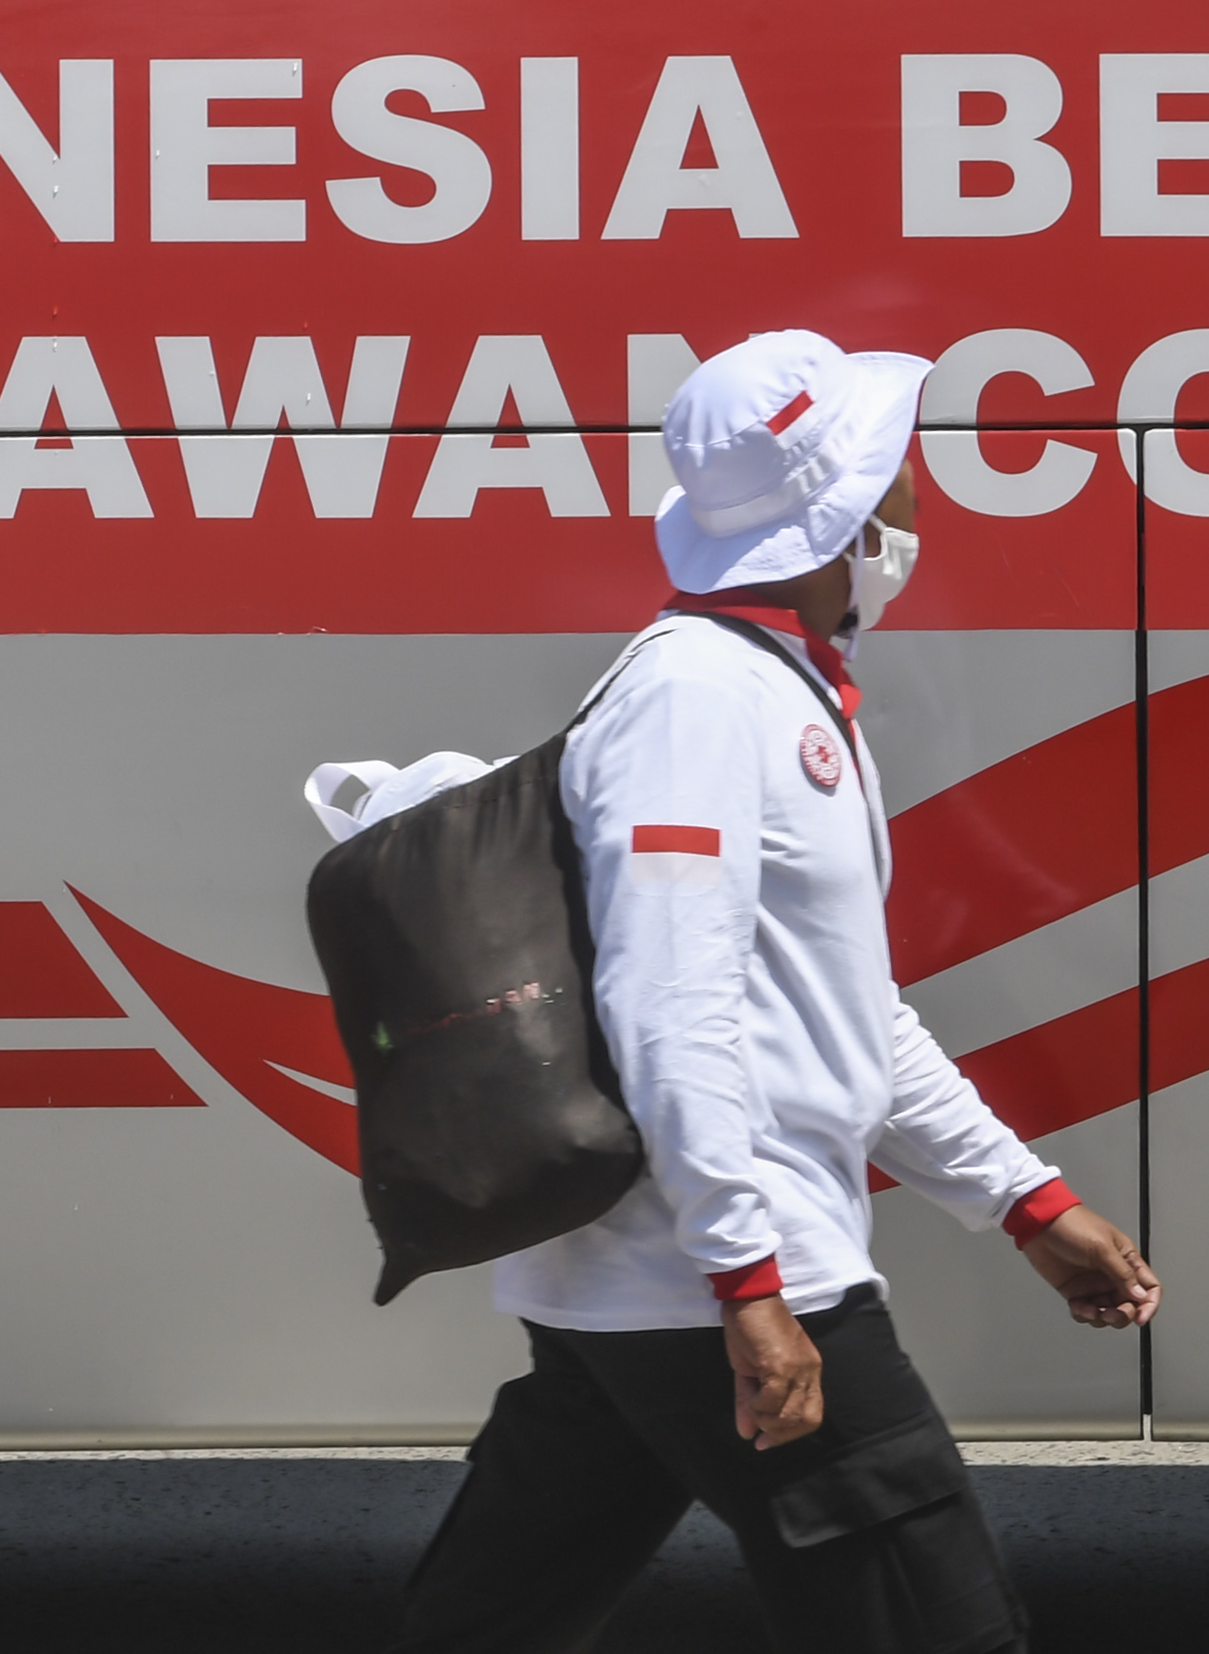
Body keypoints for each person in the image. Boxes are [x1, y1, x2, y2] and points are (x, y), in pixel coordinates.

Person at [385, 329, 1160, 1654]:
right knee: (939, 1626)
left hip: (649, 1277)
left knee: (487, 1623)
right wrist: (747, 1276)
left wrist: (1021, 1197)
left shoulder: (770, 687)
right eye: (896, 471)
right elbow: (667, 997)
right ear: (843, 514)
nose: (918, 497)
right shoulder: (699, 699)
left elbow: (843, 1005)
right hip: (720, 1269)